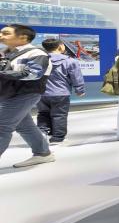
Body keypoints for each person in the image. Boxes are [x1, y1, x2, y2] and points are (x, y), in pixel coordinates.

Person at [0, 24, 56, 168]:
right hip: (9, 94)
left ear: (23, 37)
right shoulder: (7, 53)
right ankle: (43, 153)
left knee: (2, 127)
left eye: (6, 33)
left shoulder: (36, 53)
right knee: (24, 126)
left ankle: (43, 153)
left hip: (24, 94)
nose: (1, 36)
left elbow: (32, 74)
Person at [37, 38, 86, 144]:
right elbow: (76, 77)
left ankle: (41, 134)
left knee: (43, 114)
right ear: (60, 47)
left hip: (41, 93)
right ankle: (57, 138)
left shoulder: (39, 60)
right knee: (59, 115)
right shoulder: (70, 61)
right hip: (61, 93)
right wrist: (80, 90)